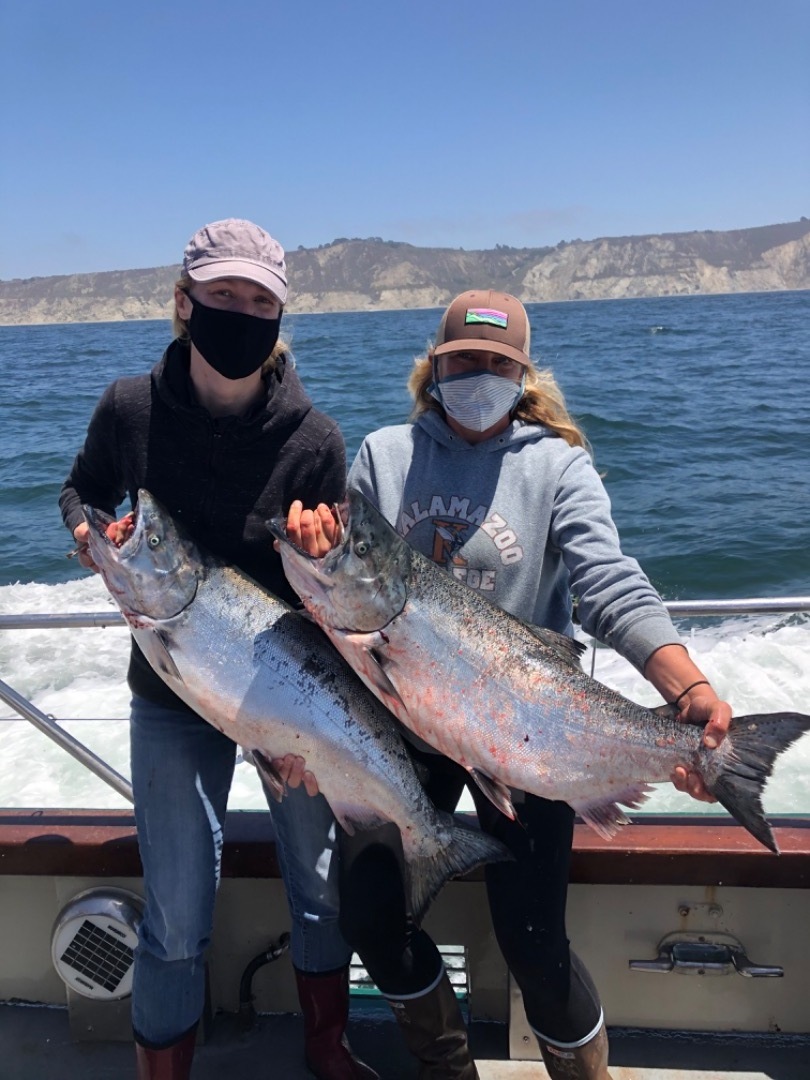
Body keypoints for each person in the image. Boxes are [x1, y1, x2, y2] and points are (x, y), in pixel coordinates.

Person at [285, 290, 732, 1079]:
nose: (479, 376)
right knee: (371, 916)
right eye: (464, 361)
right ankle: (449, 1068)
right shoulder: (385, 457)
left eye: (498, 364)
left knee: (534, 947)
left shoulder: (558, 466)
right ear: (436, 366)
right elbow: (347, 580)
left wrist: (684, 685)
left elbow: (607, 585)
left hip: (529, 725)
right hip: (408, 727)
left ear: (522, 376)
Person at [59, 219, 378, 1080]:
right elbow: (81, 491)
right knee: (175, 906)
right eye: (224, 297)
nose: (241, 314)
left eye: (259, 302)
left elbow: (335, 597)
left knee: (318, 885)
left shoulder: (315, 440)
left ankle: (327, 1050)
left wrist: (326, 556)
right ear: (184, 302)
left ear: (280, 319)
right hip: (171, 686)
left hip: (293, 693)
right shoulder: (129, 409)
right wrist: (93, 535)